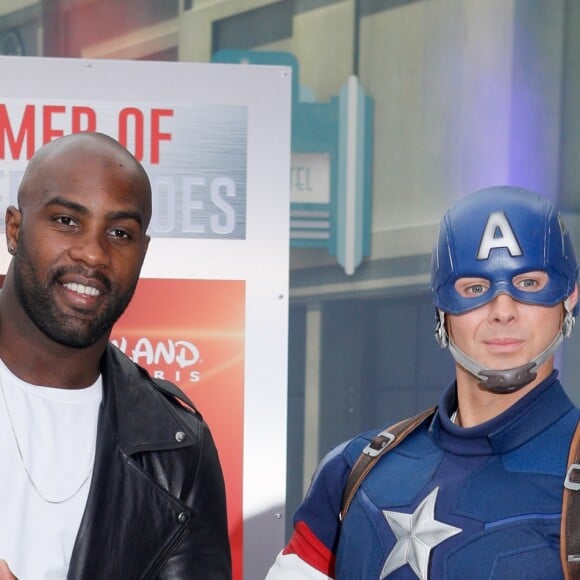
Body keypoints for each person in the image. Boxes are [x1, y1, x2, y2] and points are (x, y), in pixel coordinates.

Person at [266, 185, 580, 579]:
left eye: (529, 284)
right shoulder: (355, 468)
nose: (503, 311)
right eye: (476, 289)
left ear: (569, 296)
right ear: (441, 308)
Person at [0, 132, 231, 579]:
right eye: (67, 220)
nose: (93, 253)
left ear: (143, 253)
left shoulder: (177, 447)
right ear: (14, 228)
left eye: (120, 232)